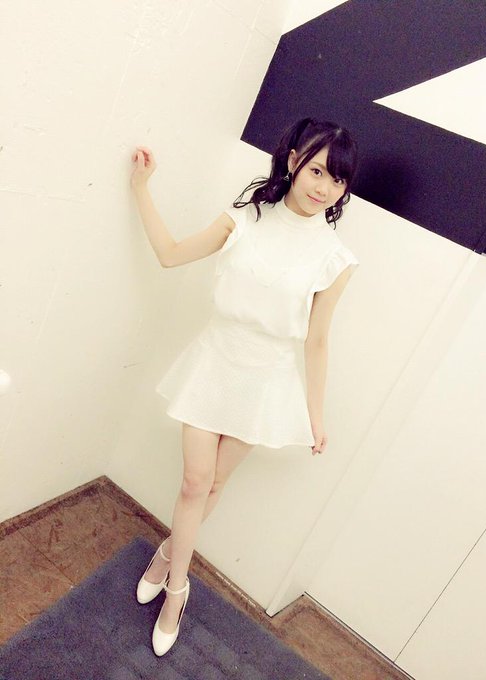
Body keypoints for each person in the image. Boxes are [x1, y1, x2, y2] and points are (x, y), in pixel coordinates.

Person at [129, 117, 360, 656]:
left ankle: (167, 556)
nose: (324, 187)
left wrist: (316, 415)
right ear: (294, 160)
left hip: (267, 380)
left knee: (212, 486)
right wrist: (142, 188)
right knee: (195, 482)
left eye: (337, 180)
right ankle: (178, 593)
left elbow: (317, 341)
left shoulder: (335, 259)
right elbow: (170, 254)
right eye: (317, 170)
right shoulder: (244, 219)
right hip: (215, 361)